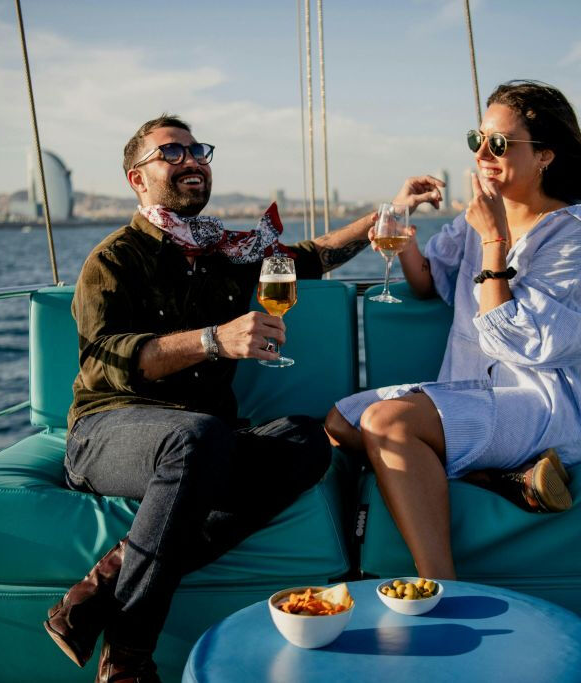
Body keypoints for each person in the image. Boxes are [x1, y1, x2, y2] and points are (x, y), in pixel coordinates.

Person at [43, 113, 444, 681]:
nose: (192, 161)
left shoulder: (226, 254)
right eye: (172, 154)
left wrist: (392, 212)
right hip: (107, 431)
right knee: (198, 435)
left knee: (308, 440)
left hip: (201, 442)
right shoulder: (114, 259)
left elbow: (311, 255)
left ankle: (110, 577)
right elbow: (109, 361)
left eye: (197, 151)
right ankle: (128, 656)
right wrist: (213, 341)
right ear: (137, 179)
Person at [325, 80, 581, 581]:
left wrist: (493, 239)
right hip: (479, 391)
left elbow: (516, 340)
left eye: (500, 144)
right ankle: (494, 477)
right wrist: (402, 222)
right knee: (341, 423)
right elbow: (430, 282)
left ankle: (441, 584)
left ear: (544, 157)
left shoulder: (572, 235)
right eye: (478, 140)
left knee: (388, 424)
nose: (483, 155)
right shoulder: (477, 215)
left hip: (546, 401)